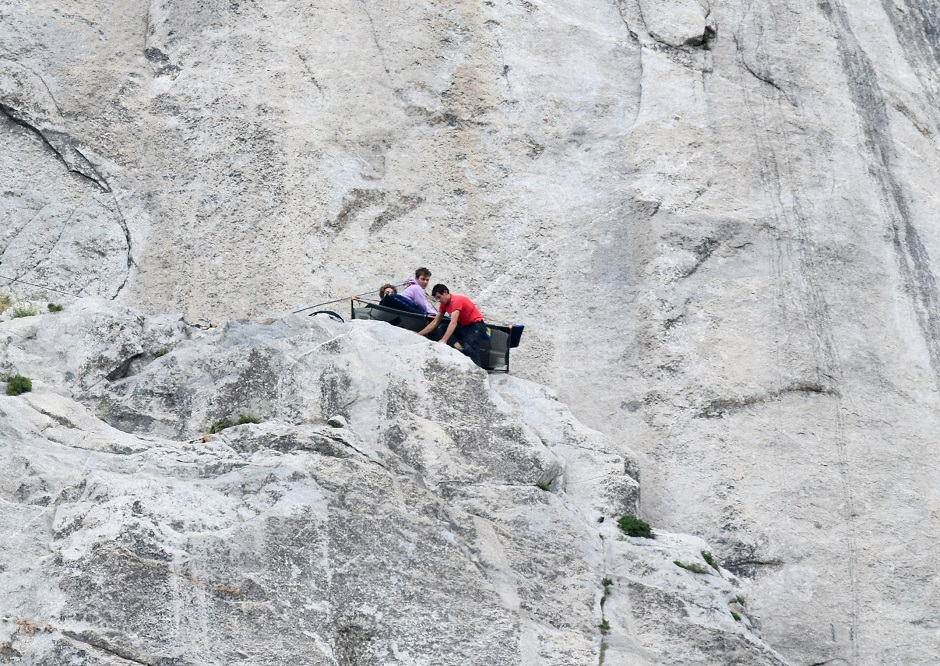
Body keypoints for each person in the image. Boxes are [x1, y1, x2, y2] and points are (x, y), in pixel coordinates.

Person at [418, 284, 487, 368]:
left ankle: (478, 371)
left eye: (439, 297)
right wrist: (419, 334)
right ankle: (457, 346)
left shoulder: (456, 301)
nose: (439, 300)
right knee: (441, 328)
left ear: (445, 292)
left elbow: (453, 322)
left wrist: (444, 340)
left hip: (476, 326)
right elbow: (435, 322)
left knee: (471, 349)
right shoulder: (443, 304)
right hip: (464, 326)